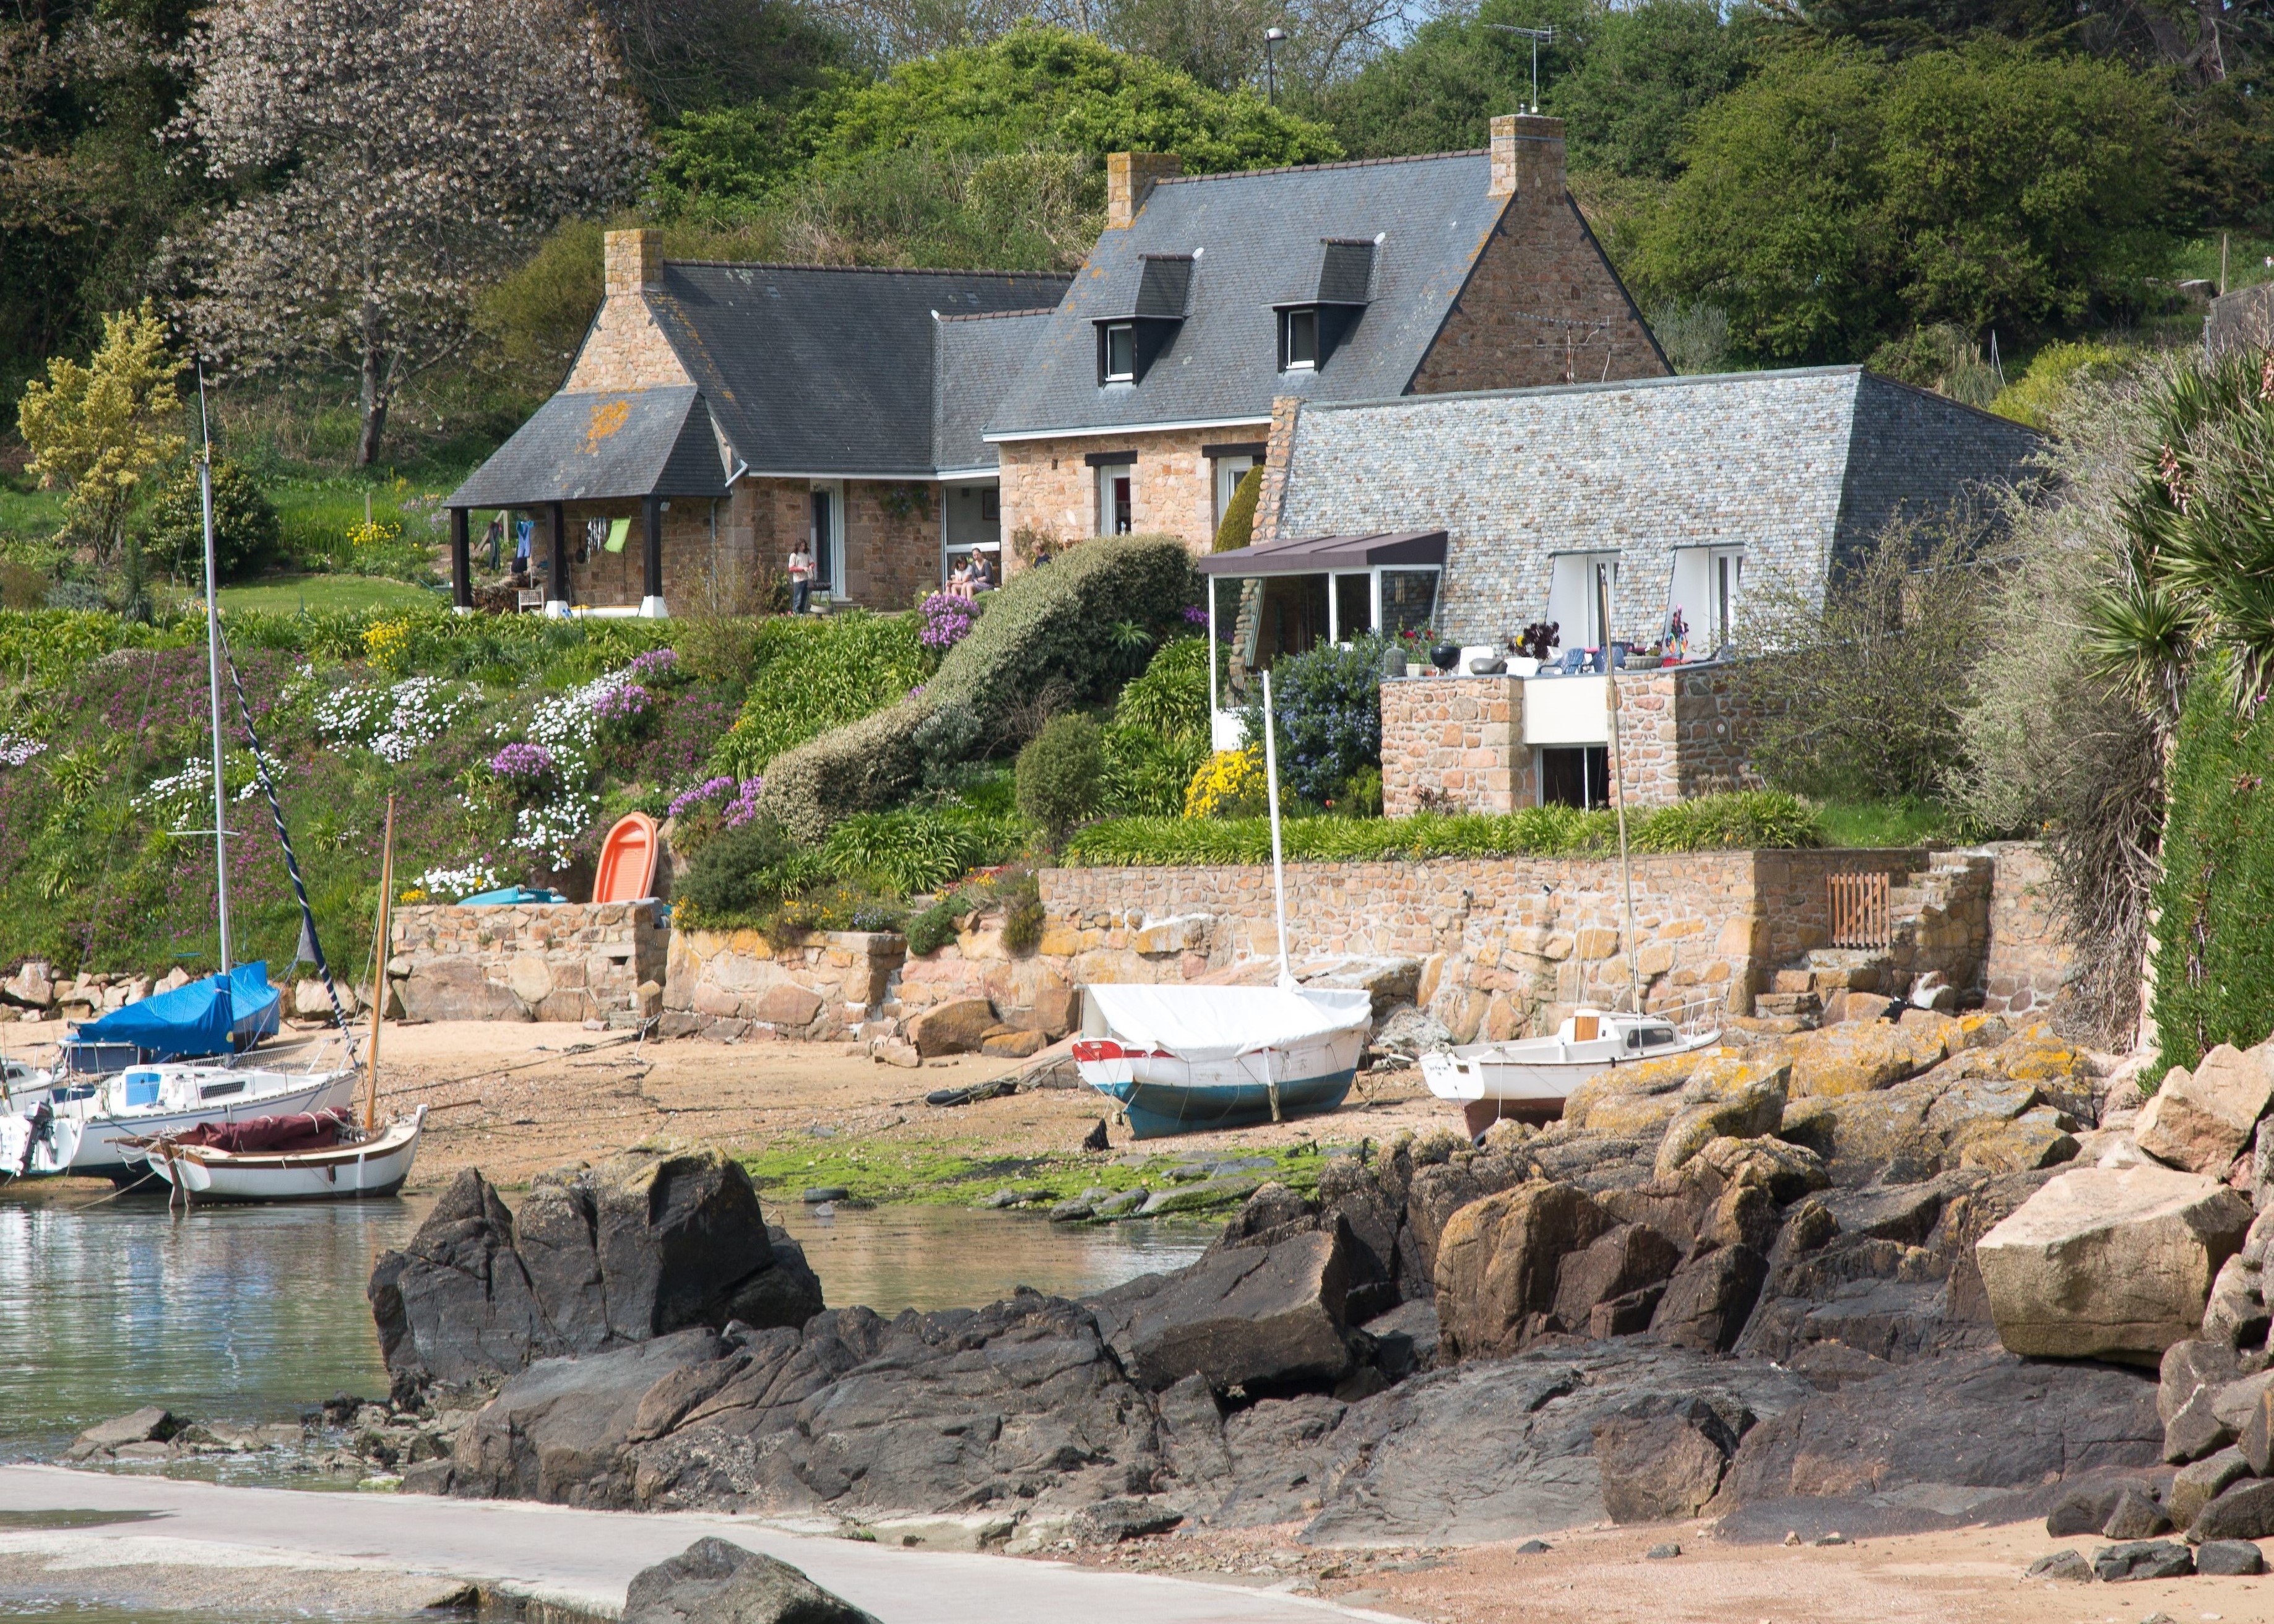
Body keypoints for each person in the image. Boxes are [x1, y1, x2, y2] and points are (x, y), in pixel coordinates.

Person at [787, 540, 815, 614]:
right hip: (798, 580)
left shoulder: (807, 555)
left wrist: (810, 567)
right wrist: (802, 569)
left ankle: (802, 613)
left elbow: (812, 563)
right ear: (798, 546)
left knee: (804, 598)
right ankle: (796, 612)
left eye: (804, 546)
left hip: (806, 579)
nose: (803, 547)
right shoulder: (794, 555)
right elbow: (791, 568)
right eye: (801, 546)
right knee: (798, 598)